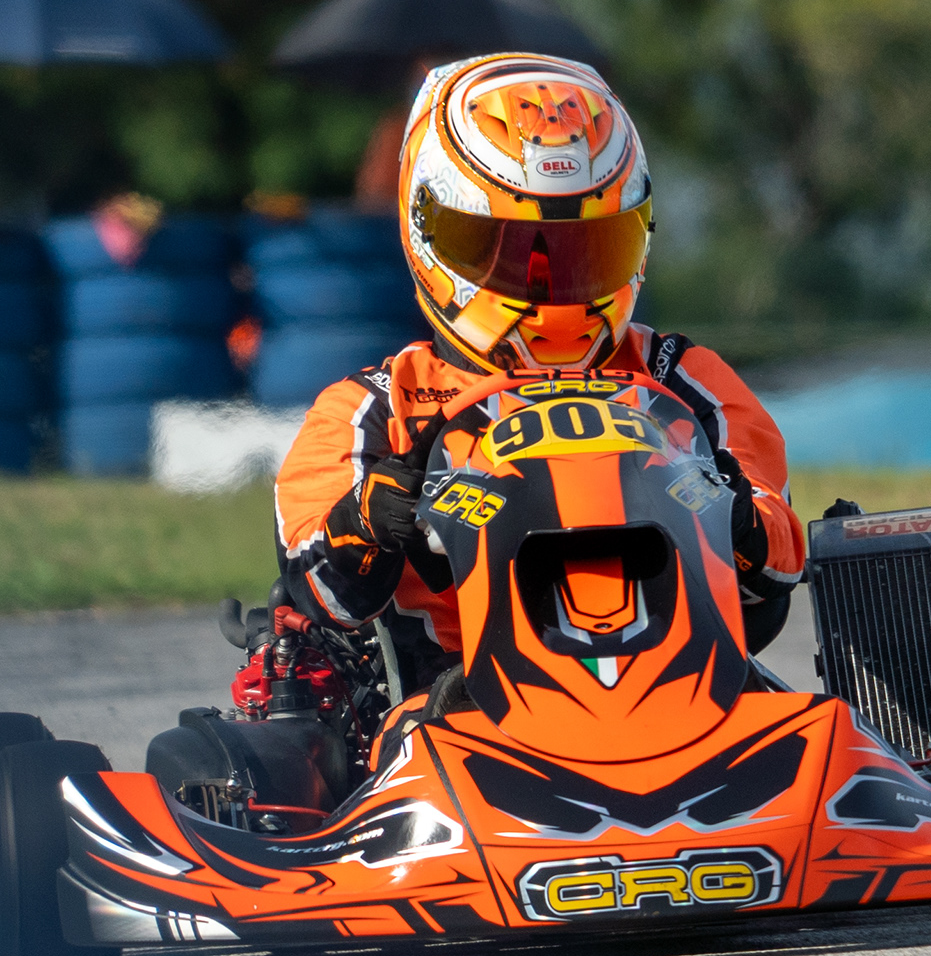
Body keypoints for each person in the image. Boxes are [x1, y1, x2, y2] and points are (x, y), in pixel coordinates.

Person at [270, 53, 806, 679]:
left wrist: (730, 517)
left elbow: (777, 566)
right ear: (428, 231)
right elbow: (315, 591)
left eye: (587, 250)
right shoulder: (375, 407)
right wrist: (367, 519)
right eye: (513, 252)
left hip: (677, 691)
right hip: (447, 703)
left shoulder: (681, 377)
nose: (551, 290)